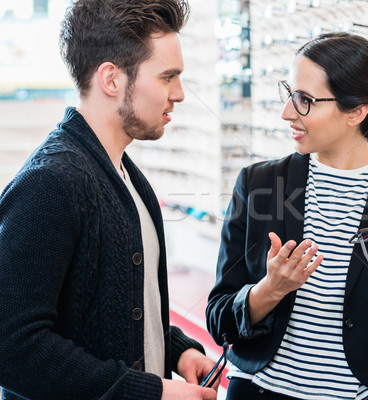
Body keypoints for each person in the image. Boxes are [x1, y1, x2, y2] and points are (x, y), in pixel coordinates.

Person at [206, 32, 368, 400]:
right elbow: (219, 319)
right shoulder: (259, 185)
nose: (288, 112)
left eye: (304, 101)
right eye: (289, 94)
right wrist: (270, 291)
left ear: (357, 111)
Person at [0, 1, 218, 399]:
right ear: (111, 79)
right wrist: (152, 392)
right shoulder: (51, 182)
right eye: (168, 77)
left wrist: (177, 350)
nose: (180, 94)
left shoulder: (127, 178)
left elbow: (113, 312)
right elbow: (12, 347)